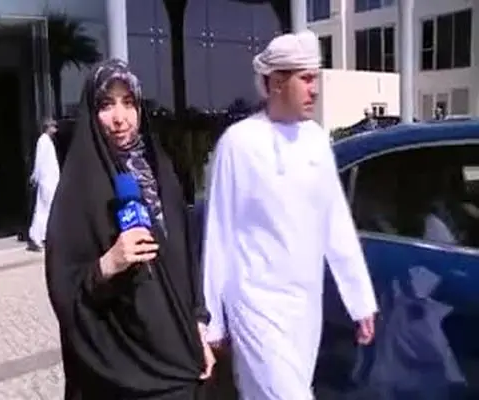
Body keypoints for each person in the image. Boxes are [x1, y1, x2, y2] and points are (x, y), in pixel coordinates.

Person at [202, 30, 378, 400]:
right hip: (254, 305)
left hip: (304, 308)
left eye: (316, 78)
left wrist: (360, 300)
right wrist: (212, 318)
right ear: (277, 82)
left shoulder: (316, 140)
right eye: (307, 79)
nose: (315, 90)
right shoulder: (238, 143)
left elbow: (335, 225)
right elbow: (219, 231)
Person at [45, 59, 215, 400]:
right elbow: (64, 289)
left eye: (128, 103)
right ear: (91, 114)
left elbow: (186, 258)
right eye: (106, 105)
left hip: (179, 357)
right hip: (125, 371)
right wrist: (108, 264)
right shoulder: (78, 188)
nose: (120, 117)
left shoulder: (161, 171)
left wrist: (198, 325)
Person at [27, 118, 60, 252]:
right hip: (46, 181)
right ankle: (36, 236)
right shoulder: (43, 141)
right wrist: (35, 176)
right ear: (48, 127)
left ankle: (43, 236)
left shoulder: (47, 141)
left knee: (46, 209)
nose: (56, 130)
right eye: (54, 127)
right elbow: (39, 161)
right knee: (43, 209)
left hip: (50, 180)